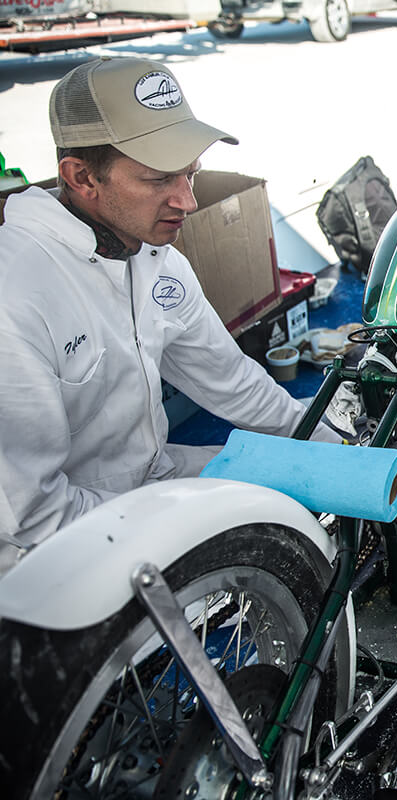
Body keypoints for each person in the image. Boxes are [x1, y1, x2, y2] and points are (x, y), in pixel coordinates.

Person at [0, 57, 341, 569]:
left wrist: (337, 450)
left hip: (154, 481)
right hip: (50, 554)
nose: (187, 199)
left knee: (308, 498)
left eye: (189, 173)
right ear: (81, 177)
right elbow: (32, 516)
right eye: (159, 178)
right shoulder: (16, 295)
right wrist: (174, 529)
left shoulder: (155, 258)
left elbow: (234, 385)